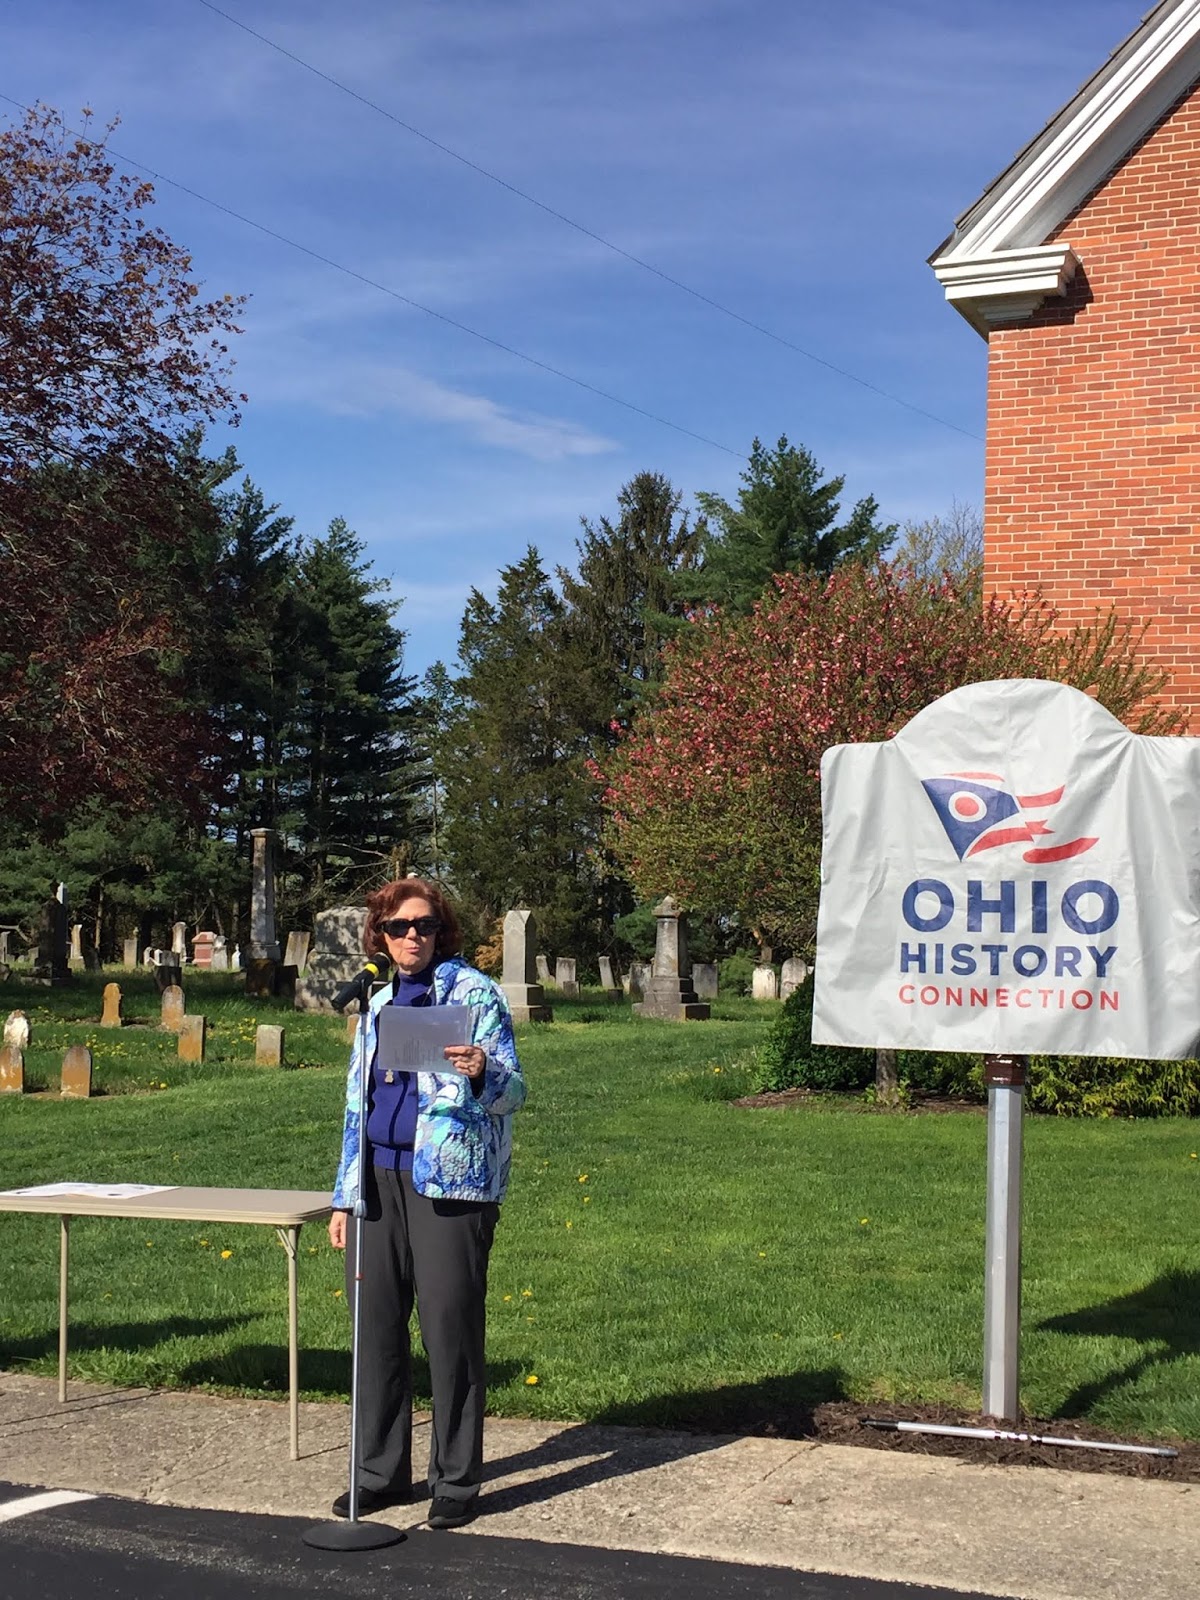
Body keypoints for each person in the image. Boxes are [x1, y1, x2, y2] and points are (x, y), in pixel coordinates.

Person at [328, 877, 526, 1529]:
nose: (412, 936)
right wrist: (343, 1194)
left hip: (450, 1187)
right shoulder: (377, 1001)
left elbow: (513, 1092)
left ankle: (457, 1482)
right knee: (375, 1332)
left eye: (425, 925)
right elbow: (358, 1107)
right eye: (398, 926)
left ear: (443, 931)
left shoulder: (476, 994)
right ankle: (380, 1474)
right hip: (376, 1186)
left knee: (449, 1331)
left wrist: (481, 1071)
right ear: (378, 937)